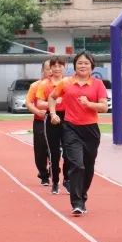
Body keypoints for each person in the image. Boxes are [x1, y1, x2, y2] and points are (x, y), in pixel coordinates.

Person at [48, 52, 108, 216]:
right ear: (74, 65)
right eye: (80, 63)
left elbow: (104, 108)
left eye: (86, 63)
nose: (83, 66)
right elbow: (52, 97)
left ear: (92, 66)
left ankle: (82, 194)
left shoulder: (98, 84)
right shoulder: (66, 83)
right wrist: (53, 114)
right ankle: (77, 202)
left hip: (91, 130)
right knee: (77, 165)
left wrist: (89, 104)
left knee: (88, 167)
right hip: (71, 128)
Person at [35, 55, 70, 195]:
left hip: (69, 118)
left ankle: (67, 179)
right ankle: (55, 181)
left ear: (65, 67)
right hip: (52, 118)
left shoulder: (69, 82)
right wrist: (56, 103)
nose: (56, 68)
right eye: (53, 66)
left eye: (59, 65)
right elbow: (39, 103)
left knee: (69, 151)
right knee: (54, 153)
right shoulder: (44, 84)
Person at [26, 60, 52, 186]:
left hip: (57, 121)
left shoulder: (62, 85)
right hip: (40, 122)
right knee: (40, 150)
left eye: (53, 68)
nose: (51, 71)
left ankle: (54, 171)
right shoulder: (36, 86)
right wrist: (37, 111)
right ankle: (43, 174)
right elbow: (29, 103)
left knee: (56, 149)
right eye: (48, 69)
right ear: (43, 71)